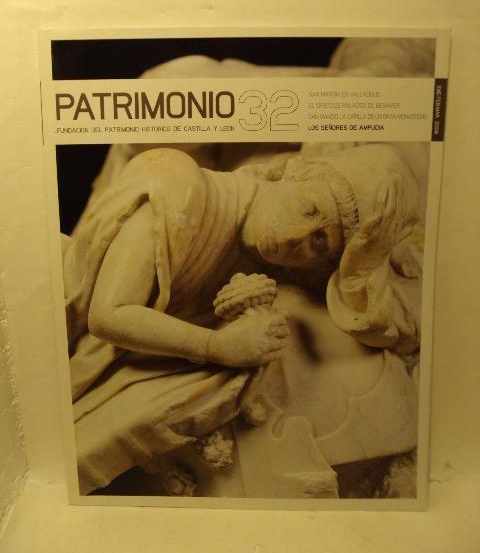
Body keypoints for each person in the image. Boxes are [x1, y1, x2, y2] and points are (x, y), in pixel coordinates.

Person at [63, 144, 421, 494]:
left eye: (320, 241)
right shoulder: (180, 185)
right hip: (62, 332)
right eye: (308, 209)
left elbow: (373, 310)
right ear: (294, 173)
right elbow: (109, 314)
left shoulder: (266, 263)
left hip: (118, 362)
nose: (296, 236)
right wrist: (216, 345)